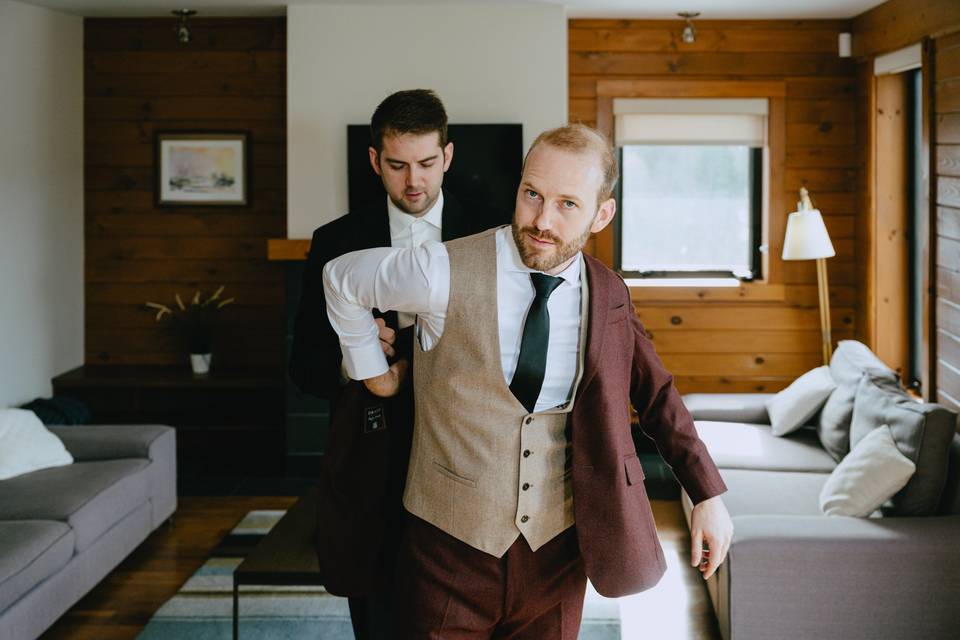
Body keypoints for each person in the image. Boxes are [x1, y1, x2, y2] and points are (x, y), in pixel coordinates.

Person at [322, 123, 734, 638]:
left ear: (601, 214)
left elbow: (656, 394)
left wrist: (708, 495)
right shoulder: (441, 269)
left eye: (567, 204)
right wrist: (373, 375)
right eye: (532, 194)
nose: (540, 221)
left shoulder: (607, 294)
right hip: (447, 551)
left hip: (557, 557)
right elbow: (340, 278)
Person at [288, 89, 497, 640]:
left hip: (465, 450)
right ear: (375, 160)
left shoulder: (494, 235)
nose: (414, 182)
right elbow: (303, 367)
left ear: (447, 157)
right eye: (398, 165)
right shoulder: (335, 243)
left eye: (427, 164)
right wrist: (351, 360)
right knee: (378, 609)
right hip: (372, 453)